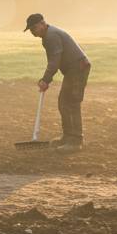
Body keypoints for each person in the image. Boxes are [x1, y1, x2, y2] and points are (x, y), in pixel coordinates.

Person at [24, 13, 91, 151]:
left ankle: (75, 141)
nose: (32, 32)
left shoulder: (51, 36)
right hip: (75, 68)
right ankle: (68, 137)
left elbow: (55, 61)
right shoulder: (48, 35)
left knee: (70, 102)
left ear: (42, 24)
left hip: (77, 68)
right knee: (64, 102)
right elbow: (54, 61)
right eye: (30, 30)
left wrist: (45, 80)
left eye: (33, 28)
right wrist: (46, 79)